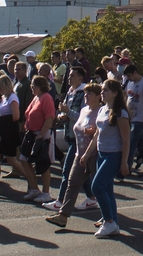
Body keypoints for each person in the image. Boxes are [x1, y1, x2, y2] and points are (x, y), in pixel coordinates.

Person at [44, 83, 103, 228]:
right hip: (80, 153)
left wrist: (93, 132)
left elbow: (102, 131)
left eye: (89, 94)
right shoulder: (83, 110)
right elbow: (78, 124)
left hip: (95, 154)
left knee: (100, 187)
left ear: (98, 96)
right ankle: (63, 216)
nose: (86, 96)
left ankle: (107, 216)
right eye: (85, 93)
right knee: (72, 183)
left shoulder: (101, 111)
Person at [85, 79, 130, 237]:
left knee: (97, 187)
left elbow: (126, 140)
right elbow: (97, 134)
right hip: (101, 153)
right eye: (102, 90)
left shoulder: (121, 113)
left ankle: (109, 221)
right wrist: (87, 153)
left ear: (115, 93)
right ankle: (113, 223)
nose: (102, 93)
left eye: (105, 91)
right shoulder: (103, 109)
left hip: (114, 155)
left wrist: (124, 162)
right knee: (108, 190)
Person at [22, 75, 57, 204]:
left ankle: (46, 192)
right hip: (31, 134)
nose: (32, 87)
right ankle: (34, 188)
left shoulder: (46, 98)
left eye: (34, 85)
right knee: (24, 160)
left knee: (43, 164)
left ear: (41, 86)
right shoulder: (36, 98)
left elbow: (49, 117)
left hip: (42, 135)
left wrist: (41, 134)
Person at [122, 65, 143, 177]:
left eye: (129, 75)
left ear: (135, 73)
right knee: (140, 145)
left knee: (131, 143)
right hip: (130, 117)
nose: (128, 78)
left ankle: (126, 169)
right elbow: (127, 98)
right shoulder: (130, 83)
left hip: (140, 118)